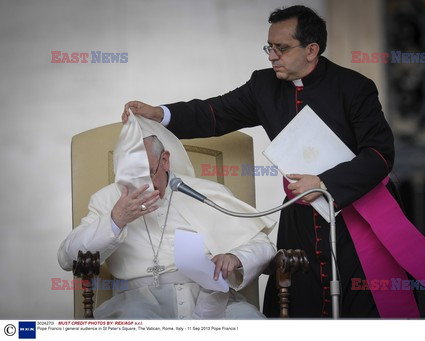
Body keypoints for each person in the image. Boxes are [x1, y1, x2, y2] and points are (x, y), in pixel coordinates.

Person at [121, 5, 425, 318]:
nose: (272, 56)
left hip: (354, 219)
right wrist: (159, 113)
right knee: (296, 304)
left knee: (362, 306)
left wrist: (324, 183)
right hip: (299, 221)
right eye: (269, 47)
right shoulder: (263, 86)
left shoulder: (354, 87)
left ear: (312, 49)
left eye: (281, 48)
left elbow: (380, 154)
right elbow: (214, 113)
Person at [58, 114, 276, 319]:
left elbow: (262, 244)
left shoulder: (206, 192)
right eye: (131, 179)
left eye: (148, 175)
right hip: (137, 304)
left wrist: (236, 256)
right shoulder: (105, 200)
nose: (141, 188)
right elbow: (67, 258)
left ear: (164, 160)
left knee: (250, 322)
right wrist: (116, 219)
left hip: (211, 299)